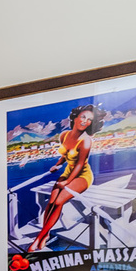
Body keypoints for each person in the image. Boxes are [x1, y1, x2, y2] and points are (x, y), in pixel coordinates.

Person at [28, 103, 98, 253]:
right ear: (76, 117)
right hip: (68, 172)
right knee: (51, 202)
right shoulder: (64, 135)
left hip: (82, 175)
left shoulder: (86, 141)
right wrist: (58, 165)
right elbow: (66, 154)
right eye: (83, 117)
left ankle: (38, 238)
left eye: (89, 120)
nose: (85, 121)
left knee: (59, 201)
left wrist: (67, 182)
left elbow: (80, 164)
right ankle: (46, 234)